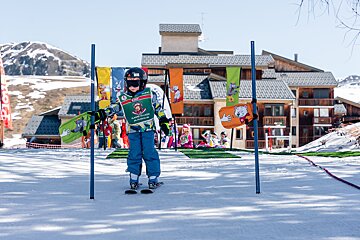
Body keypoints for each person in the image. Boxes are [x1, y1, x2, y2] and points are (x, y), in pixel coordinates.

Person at [118, 67, 170, 190]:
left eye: (135, 83)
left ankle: (153, 178)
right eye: (130, 83)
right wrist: (103, 113)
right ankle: (134, 178)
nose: (132, 86)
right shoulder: (124, 97)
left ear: (142, 83)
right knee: (134, 153)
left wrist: (163, 120)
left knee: (149, 152)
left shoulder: (148, 95)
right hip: (133, 130)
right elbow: (115, 107)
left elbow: (158, 108)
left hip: (147, 130)